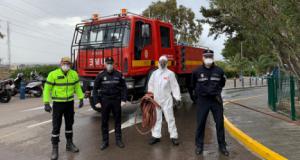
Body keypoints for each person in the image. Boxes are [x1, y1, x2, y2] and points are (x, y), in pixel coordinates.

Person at [43, 57, 84, 160]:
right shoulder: (53, 74)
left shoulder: (73, 74)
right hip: (58, 104)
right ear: (60, 63)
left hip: (69, 104)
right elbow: (47, 89)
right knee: (56, 126)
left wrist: (81, 98)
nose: (66, 65)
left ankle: (69, 144)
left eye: (68, 63)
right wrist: (46, 103)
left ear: (70, 64)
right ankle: (55, 148)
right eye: (64, 63)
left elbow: (77, 87)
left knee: (69, 124)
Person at [191, 50, 229, 156]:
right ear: (202, 58)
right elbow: (193, 85)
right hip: (203, 101)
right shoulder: (196, 71)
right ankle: (199, 146)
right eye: (206, 56)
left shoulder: (219, 71)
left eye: (210, 56)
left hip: (216, 100)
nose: (208, 58)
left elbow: (222, 83)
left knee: (220, 124)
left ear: (213, 58)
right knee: (201, 123)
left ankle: (222, 146)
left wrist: (215, 92)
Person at [93, 57, 127, 150]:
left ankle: (118, 140)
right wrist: (96, 101)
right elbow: (95, 89)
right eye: (108, 63)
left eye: (111, 63)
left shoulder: (119, 74)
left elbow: (124, 87)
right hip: (105, 101)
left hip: (116, 100)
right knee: (104, 122)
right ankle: (105, 141)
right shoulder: (100, 75)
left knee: (117, 121)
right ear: (105, 64)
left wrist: (124, 99)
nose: (109, 65)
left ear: (114, 64)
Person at [147, 55, 181, 146]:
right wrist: (150, 96)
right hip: (156, 100)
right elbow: (150, 85)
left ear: (166, 63)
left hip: (167, 100)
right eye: (161, 61)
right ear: (159, 62)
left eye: (164, 62)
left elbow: (175, 86)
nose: (162, 63)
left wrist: (177, 98)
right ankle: (156, 136)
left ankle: (174, 136)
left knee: (170, 118)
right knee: (156, 118)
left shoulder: (170, 74)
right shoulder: (154, 73)